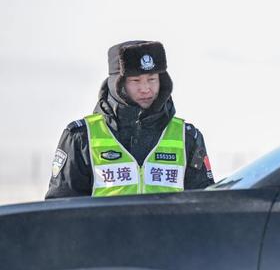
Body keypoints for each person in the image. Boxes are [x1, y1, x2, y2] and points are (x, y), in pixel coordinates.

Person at [46, 40, 214, 198]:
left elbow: (204, 207)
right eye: (135, 80)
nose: (145, 88)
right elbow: (61, 213)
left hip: (168, 230)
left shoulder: (188, 138)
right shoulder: (81, 138)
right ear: (117, 84)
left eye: (152, 79)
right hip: (105, 230)